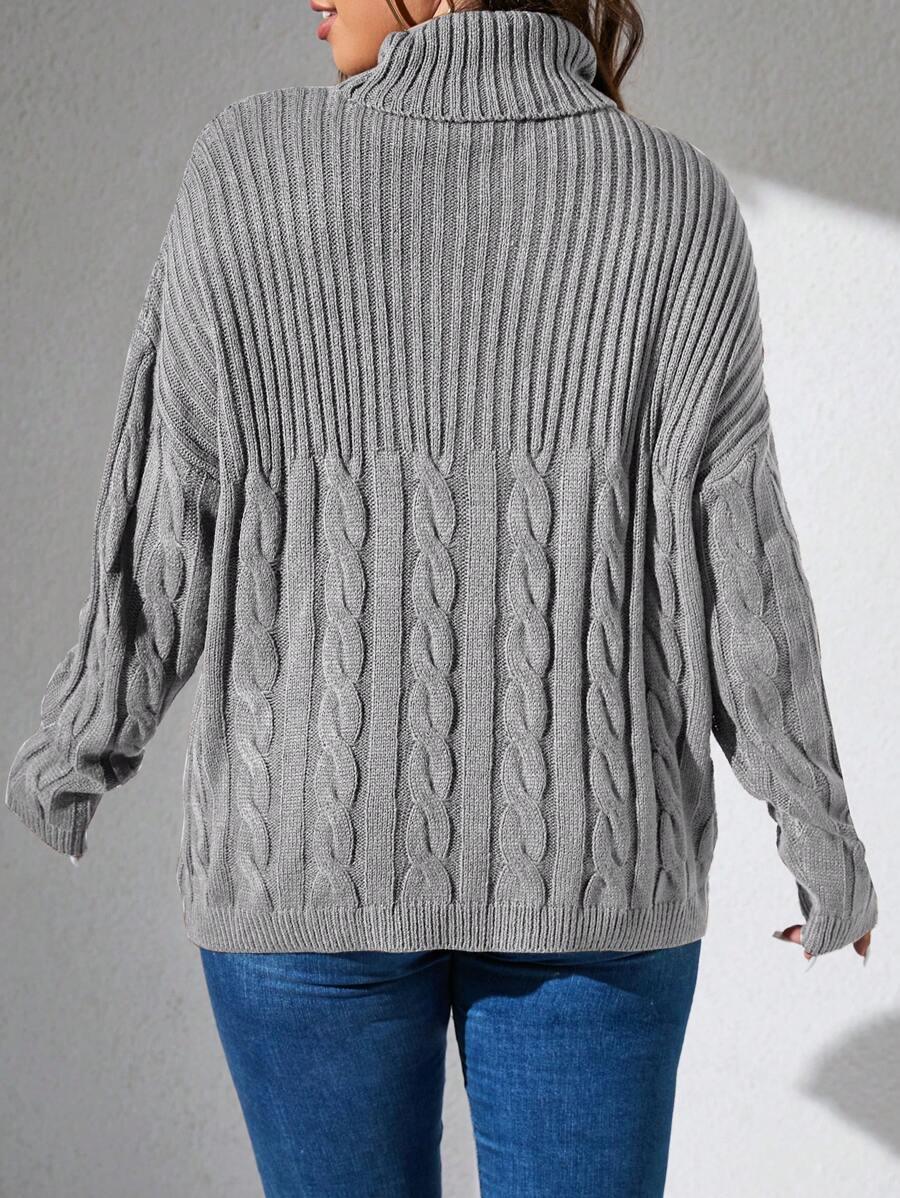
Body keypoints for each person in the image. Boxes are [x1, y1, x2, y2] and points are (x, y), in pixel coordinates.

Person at [6, 2, 877, 1195]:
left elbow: (170, 510)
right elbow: (739, 554)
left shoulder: (246, 170)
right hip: (597, 871)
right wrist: (817, 826)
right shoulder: (673, 197)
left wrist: (79, 741)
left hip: (299, 858)